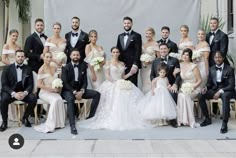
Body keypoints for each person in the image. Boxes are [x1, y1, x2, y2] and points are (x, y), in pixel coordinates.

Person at [79, 47, 147, 131]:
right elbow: (107, 76)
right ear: (111, 53)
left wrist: (130, 73)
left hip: (121, 83)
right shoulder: (107, 62)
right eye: (114, 52)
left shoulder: (122, 63)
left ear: (119, 53)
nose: (115, 53)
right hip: (111, 83)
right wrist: (115, 82)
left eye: (117, 52)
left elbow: (122, 77)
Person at [61, 49, 100, 135]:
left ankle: (91, 117)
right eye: (74, 55)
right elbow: (65, 83)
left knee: (97, 94)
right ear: (70, 56)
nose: (76, 56)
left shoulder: (83, 66)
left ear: (80, 56)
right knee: (70, 100)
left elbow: (85, 82)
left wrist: (82, 91)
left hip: (80, 89)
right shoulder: (65, 67)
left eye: (77, 55)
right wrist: (74, 92)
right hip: (68, 90)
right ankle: (72, 125)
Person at [0, 50, 37, 132]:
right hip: (10, 91)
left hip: (23, 91)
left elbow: (30, 85)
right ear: (15, 57)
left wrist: (25, 93)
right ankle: (4, 122)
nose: (20, 58)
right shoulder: (7, 69)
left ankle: (25, 117)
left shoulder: (28, 69)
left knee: (33, 99)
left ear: (24, 57)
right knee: (3, 100)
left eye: (22, 56)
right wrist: (13, 93)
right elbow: (4, 85)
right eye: (18, 56)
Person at [199, 51, 235, 134]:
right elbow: (209, 83)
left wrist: (220, 91)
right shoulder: (211, 69)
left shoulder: (229, 69)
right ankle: (207, 118)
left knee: (225, 97)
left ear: (223, 58)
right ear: (214, 58)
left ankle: (224, 123)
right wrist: (205, 87)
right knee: (201, 95)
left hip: (226, 90)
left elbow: (231, 85)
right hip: (214, 89)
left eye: (219, 57)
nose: (217, 59)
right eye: (216, 57)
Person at [150, 43, 181, 128]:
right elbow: (152, 75)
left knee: (173, 93)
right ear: (159, 51)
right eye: (161, 49)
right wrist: (155, 86)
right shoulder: (155, 61)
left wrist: (175, 84)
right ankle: (160, 118)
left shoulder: (174, 60)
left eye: (165, 49)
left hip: (170, 85)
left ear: (168, 50)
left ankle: (172, 119)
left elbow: (178, 75)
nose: (163, 50)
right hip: (159, 86)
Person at [34, 52, 66, 133]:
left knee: (59, 99)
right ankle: (50, 124)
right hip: (44, 92)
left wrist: (58, 85)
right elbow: (39, 85)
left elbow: (58, 78)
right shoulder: (41, 69)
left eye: (50, 57)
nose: (49, 59)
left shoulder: (54, 66)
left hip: (54, 91)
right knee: (55, 100)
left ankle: (59, 123)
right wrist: (51, 89)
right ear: (43, 58)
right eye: (47, 57)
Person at [177, 48, 202, 128]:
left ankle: (188, 120)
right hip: (183, 88)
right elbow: (178, 78)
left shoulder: (194, 66)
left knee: (185, 96)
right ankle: (181, 120)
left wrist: (192, 87)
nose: (185, 56)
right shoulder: (179, 65)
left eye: (187, 55)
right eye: (184, 54)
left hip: (194, 88)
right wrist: (174, 74)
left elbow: (200, 80)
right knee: (180, 95)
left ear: (190, 57)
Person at [1, 29, 22, 122]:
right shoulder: (6, 45)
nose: (15, 37)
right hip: (8, 69)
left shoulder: (18, 46)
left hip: (18, 70)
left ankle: (19, 114)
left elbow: (21, 57)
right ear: (10, 36)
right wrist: (12, 66)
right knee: (9, 90)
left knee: (18, 88)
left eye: (16, 36)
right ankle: (10, 115)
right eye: (13, 35)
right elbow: (3, 58)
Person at [116, 16, 142, 86]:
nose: (126, 25)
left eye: (128, 23)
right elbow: (117, 50)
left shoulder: (137, 35)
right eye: (125, 23)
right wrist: (116, 62)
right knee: (122, 84)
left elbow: (138, 50)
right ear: (123, 24)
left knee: (132, 84)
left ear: (131, 24)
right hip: (122, 64)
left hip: (132, 64)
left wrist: (135, 64)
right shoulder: (120, 36)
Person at [140, 27, 159, 94]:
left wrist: (150, 61)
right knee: (144, 83)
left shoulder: (155, 44)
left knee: (150, 82)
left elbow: (158, 58)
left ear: (153, 34)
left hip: (151, 67)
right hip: (143, 68)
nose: (148, 35)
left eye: (150, 34)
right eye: (147, 33)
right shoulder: (143, 43)